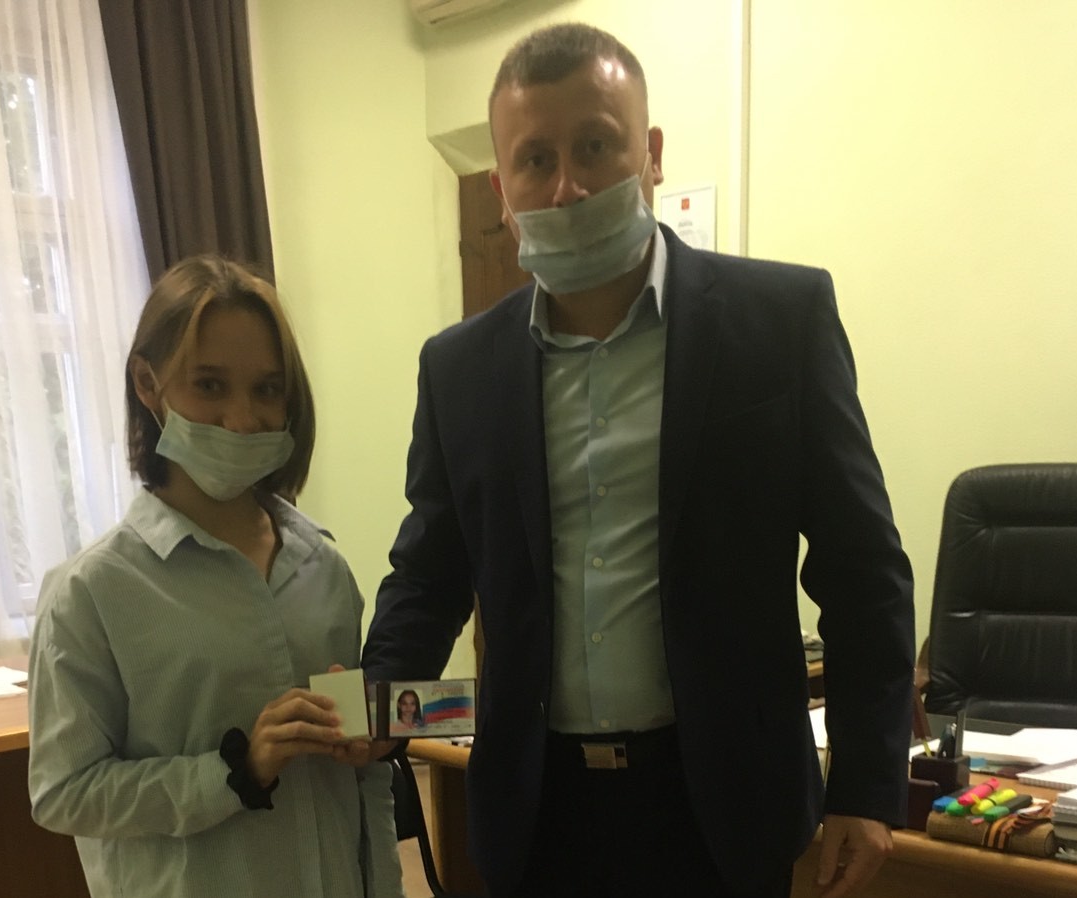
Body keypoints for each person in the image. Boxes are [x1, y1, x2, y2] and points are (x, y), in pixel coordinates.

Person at [363, 22, 914, 898]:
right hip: (537, 816)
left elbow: (863, 570)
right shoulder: (458, 369)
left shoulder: (781, 322)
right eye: (535, 159)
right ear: (502, 189)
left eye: (595, 146)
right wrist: (372, 705)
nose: (568, 185)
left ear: (650, 154)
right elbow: (430, 573)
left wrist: (867, 785)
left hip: (724, 812)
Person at [27, 256, 403, 898]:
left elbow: (363, 782)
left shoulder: (323, 568)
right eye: (209, 385)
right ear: (148, 384)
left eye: (267, 390)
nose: (243, 419)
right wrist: (234, 772)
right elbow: (65, 792)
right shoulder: (91, 593)